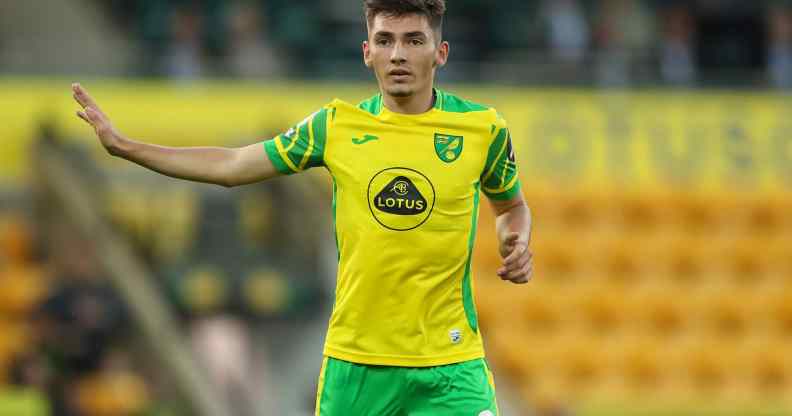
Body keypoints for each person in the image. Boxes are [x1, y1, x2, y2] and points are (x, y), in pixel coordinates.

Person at [71, 0, 533, 414]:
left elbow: (511, 205)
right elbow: (233, 164)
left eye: (414, 40)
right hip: (356, 367)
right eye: (385, 40)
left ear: (440, 52)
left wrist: (514, 235)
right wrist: (129, 148)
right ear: (366, 52)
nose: (398, 55)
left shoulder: (482, 130)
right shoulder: (335, 126)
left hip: (451, 367)